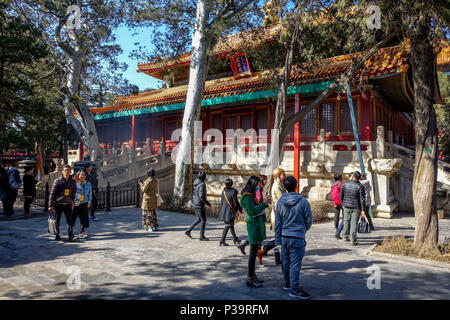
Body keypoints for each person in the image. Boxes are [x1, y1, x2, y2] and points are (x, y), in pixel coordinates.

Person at [275, 176, 313, 299]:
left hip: (285, 236)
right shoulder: (303, 201)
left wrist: (277, 239)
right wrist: (303, 229)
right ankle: (294, 289)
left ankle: (287, 284)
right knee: (295, 264)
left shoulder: (280, 201)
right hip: (297, 236)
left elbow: (278, 223)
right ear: (296, 186)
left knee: (285, 262)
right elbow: (309, 220)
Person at [240, 176, 271, 288]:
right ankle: (250, 277)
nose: (259, 186)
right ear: (253, 184)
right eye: (258, 184)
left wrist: (264, 203)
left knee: (255, 251)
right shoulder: (247, 197)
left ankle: (253, 275)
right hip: (253, 226)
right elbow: (252, 212)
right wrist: (264, 204)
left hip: (257, 225)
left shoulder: (251, 196)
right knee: (252, 254)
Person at [48, 165, 77, 242]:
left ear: (70, 172)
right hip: (59, 203)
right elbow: (52, 193)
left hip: (68, 203)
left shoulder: (73, 181)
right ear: (62, 172)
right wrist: (50, 205)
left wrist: (73, 202)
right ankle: (57, 234)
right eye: (65, 170)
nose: (67, 172)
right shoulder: (58, 181)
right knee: (57, 220)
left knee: (69, 220)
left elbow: (74, 193)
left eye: (68, 170)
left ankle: (71, 235)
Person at [339, 171, 365, 245]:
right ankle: (353, 239)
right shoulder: (360, 186)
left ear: (353, 176)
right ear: (359, 178)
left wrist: (342, 204)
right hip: (356, 207)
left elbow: (341, 195)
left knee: (346, 221)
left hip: (346, 206)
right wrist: (363, 210)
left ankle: (344, 236)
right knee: (354, 223)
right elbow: (362, 199)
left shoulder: (345, 184)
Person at [185, 171, 212, 240]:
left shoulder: (195, 182)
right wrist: (208, 204)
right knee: (203, 220)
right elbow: (201, 197)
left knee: (198, 219)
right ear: (204, 177)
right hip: (199, 204)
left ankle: (188, 230)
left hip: (195, 202)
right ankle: (201, 236)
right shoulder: (202, 185)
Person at [218, 178, 243, 246]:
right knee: (228, 225)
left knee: (230, 225)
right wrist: (240, 210)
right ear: (232, 184)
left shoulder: (223, 192)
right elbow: (235, 203)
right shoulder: (233, 192)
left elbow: (222, 202)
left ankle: (235, 238)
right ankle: (222, 240)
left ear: (225, 184)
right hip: (230, 211)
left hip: (224, 210)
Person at [72, 170, 92, 238]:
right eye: (81, 174)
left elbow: (90, 193)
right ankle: (71, 230)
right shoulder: (74, 183)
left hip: (84, 202)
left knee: (84, 218)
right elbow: (72, 193)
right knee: (73, 217)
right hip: (76, 203)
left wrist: (89, 201)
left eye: (84, 175)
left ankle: (82, 232)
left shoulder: (88, 183)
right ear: (78, 175)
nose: (82, 176)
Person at [139, 168, 159, 232]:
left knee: (147, 213)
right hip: (153, 198)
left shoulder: (148, 181)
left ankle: (150, 227)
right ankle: (155, 226)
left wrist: (141, 184)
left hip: (147, 199)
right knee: (153, 212)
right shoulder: (155, 180)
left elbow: (144, 189)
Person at [330, 174, 343, 238]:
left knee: (336, 214)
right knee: (344, 215)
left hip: (335, 201)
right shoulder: (341, 184)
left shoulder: (333, 184)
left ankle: (336, 226)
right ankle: (342, 227)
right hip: (341, 201)